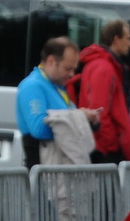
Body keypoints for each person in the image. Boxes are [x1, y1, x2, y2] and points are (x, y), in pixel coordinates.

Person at [17, 37, 99, 169]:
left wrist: (87, 119)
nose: (72, 74)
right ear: (51, 61)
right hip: (43, 170)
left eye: (74, 69)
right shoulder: (32, 86)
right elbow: (38, 129)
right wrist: (78, 117)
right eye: (68, 68)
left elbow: (67, 119)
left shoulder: (56, 87)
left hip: (56, 170)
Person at [74, 19, 130, 164]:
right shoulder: (104, 68)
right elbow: (100, 111)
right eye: (128, 38)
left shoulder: (102, 65)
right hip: (105, 149)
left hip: (100, 145)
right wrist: (111, 145)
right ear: (116, 39)